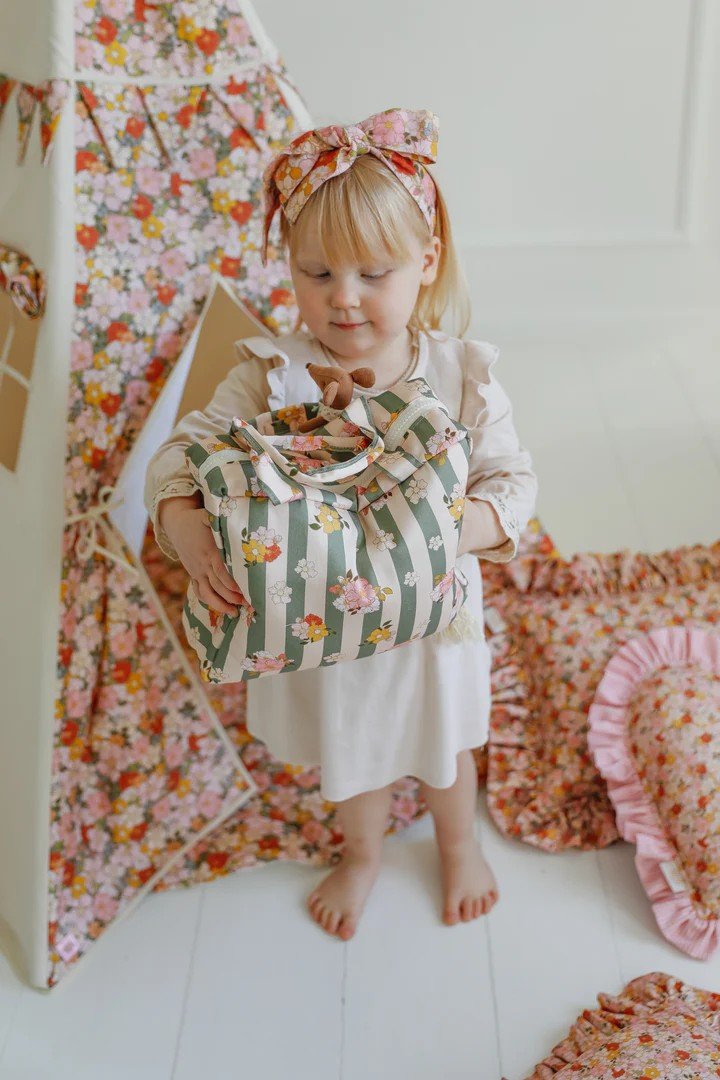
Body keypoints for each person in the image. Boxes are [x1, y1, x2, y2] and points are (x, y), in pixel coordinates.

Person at [144, 107, 538, 942]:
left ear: (426, 262)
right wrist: (185, 523)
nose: (343, 297)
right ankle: (362, 855)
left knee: (445, 748)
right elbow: (182, 451)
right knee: (355, 753)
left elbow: (513, 482)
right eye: (316, 272)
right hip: (326, 631)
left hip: (431, 625)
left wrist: (447, 530)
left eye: (372, 272)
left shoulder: (459, 374)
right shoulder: (272, 374)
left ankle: (458, 844)